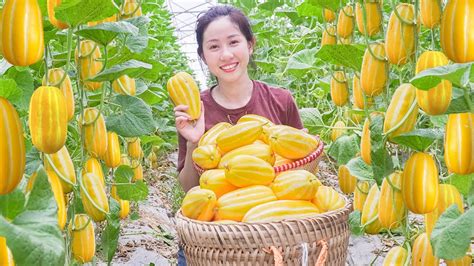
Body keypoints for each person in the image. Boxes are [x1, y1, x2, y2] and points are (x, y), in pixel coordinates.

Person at [173, 5, 304, 265]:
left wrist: (306, 147)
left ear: (250, 45)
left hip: (273, 237)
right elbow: (191, 189)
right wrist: (194, 140)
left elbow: (305, 173)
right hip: (213, 242)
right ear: (203, 56)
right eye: (213, 47)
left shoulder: (281, 100)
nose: (226, 54)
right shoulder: (194, 109)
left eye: (234, 42)